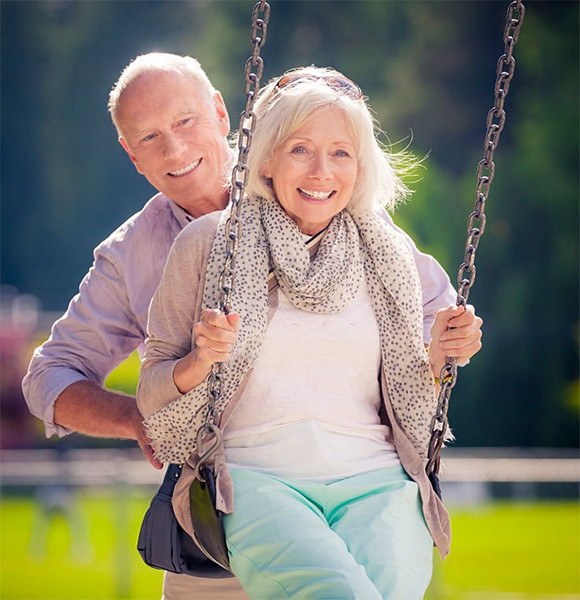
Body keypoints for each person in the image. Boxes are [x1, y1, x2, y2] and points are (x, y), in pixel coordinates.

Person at [21, 54, 455, 600]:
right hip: (224, 515)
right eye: (150, 137)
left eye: (185, 122)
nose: (175, 149)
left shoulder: (322, 195)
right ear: (131, 154)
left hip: (350, 490)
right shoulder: (133, 253)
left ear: (222, 114)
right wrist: (140, 418)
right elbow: (49, 378)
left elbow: (427, 314)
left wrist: (438, 348)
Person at [137, 66, 484, 600]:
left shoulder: (387, 252)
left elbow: (412, 387)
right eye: (300, 149)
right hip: (258, 481)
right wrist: (199, 361)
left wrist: (440, 353)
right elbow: (152, 391)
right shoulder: (210, 244)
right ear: (266, 159)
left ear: (359, 166)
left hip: (378, 484)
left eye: (341, 153)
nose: (322, 171)